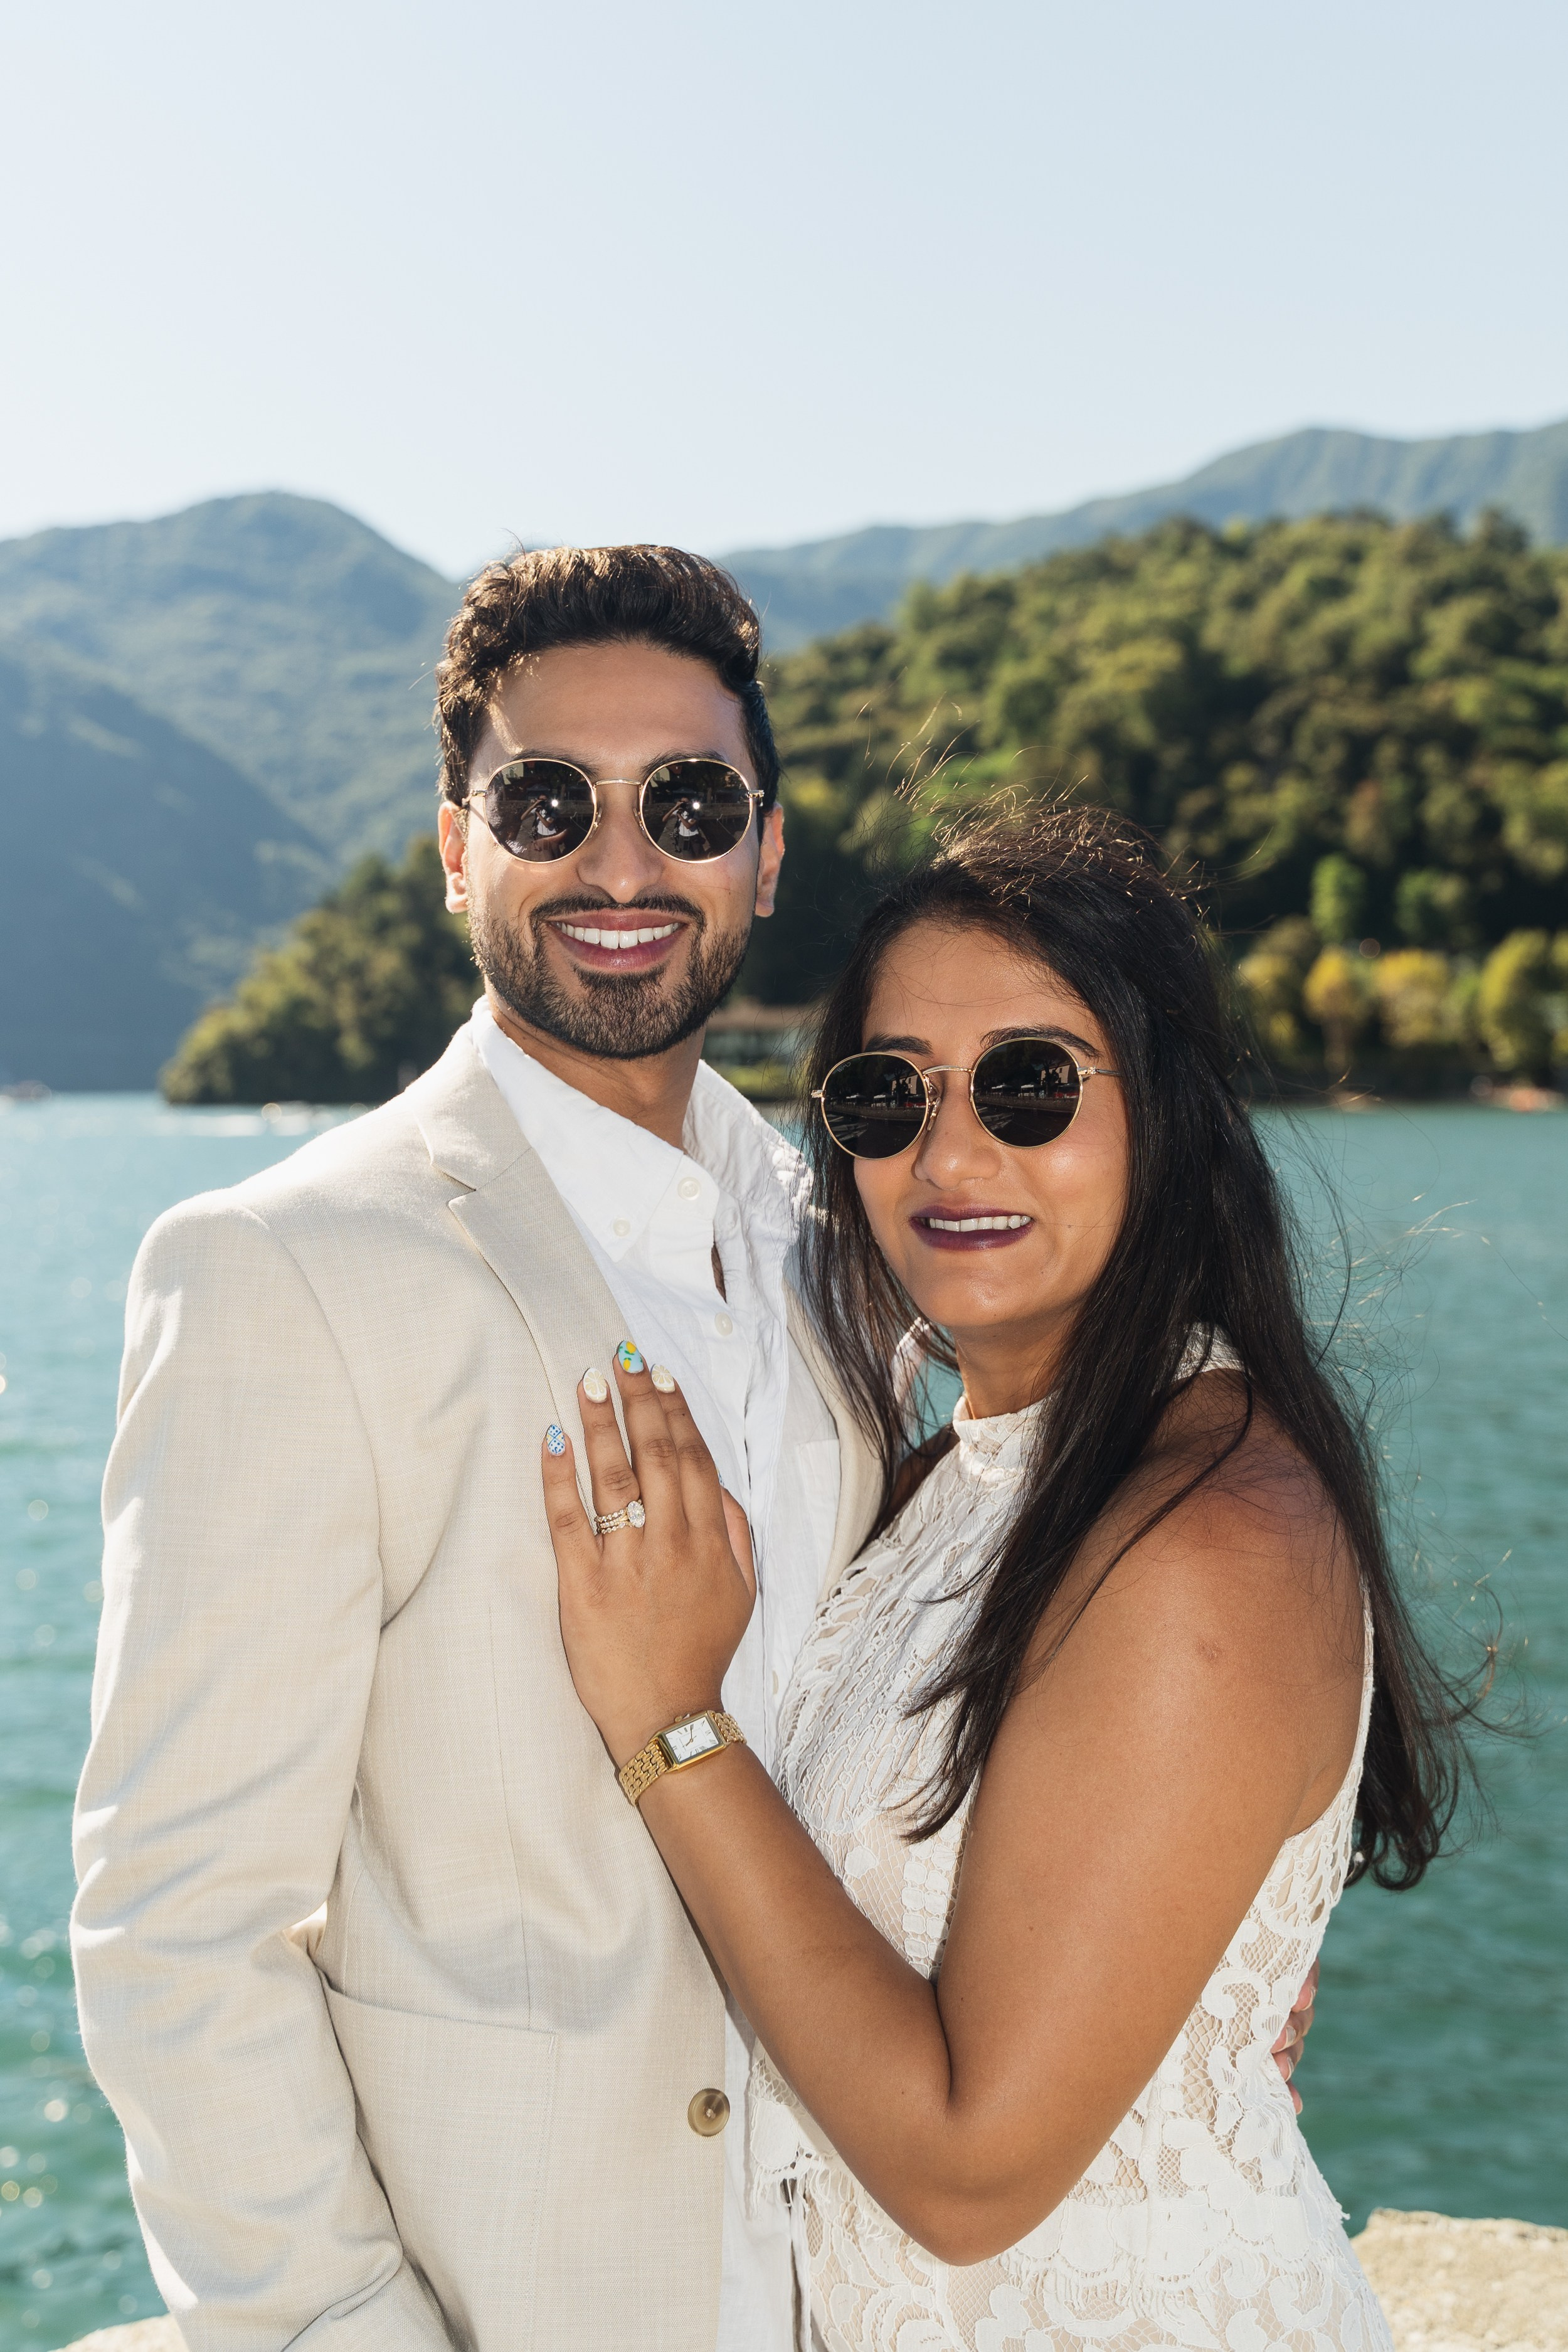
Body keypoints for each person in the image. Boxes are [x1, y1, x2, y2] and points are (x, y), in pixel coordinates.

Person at [72, 549, 1313, 2352]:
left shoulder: (845, 1240)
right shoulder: (283, 1269)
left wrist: (1193, 1963)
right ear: (455, 847)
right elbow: (178, 1928)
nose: (620, 862)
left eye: (688, 803)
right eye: (545, 802)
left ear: (765, 852)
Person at [543, 810, 1470, 2352]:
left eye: (1029, 1084)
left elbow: (968, 2172)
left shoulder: (1204, 1532)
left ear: (1168, 1112)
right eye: (885, 1094)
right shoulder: (956, 1478)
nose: (950, 1154)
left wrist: (670, 1722)